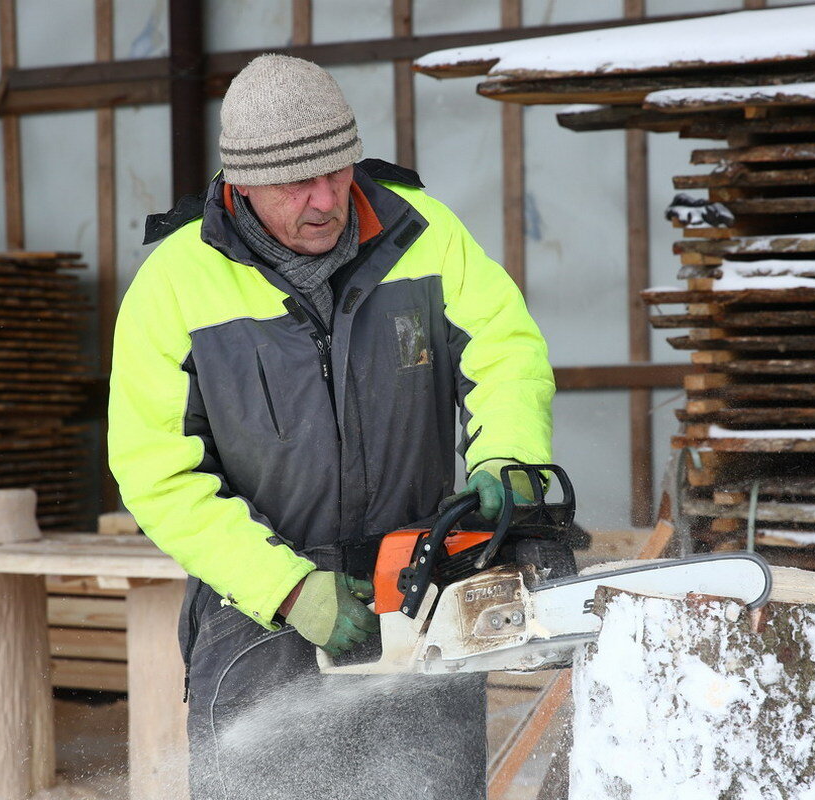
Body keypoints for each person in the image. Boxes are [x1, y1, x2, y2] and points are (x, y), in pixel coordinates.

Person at [108, 54, 554, 799]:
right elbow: (155, 472)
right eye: (295, 183)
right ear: (240, 184)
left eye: (337, 171)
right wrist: (288, 590)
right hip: (262, 615)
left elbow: (506, 353)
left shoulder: (426, 232)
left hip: (420, 590)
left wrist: (508, 460)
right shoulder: (172, 285)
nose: (325, 200)